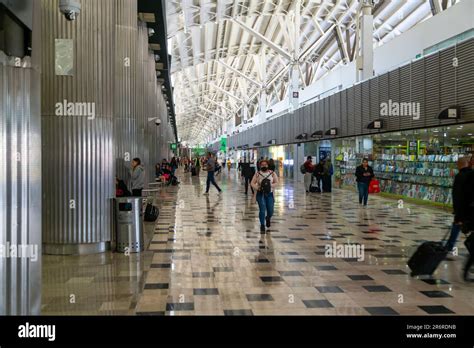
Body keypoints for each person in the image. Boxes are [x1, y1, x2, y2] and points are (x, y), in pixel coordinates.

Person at [445, 157, 473, 254]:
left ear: (459, 164)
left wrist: (457, 212)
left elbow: (457, 196)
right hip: (470, 209)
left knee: (457, 226)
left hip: (464, 209)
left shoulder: (460, 176)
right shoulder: (471, 174)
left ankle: (449, 246)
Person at [251, 160, 279, 233]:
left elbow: (276, 182)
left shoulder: (272, 173)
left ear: (268, 165)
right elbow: (252, 183)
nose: (264, 166)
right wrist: (258, 188)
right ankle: (262, 225)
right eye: (262, 165)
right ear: (260, 166)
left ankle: (268, 218)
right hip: (260, 194)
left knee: (270, 210)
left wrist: (270, 186)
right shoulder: (257, 174)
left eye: (265, 164)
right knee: (262, 209)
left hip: (270, 194)